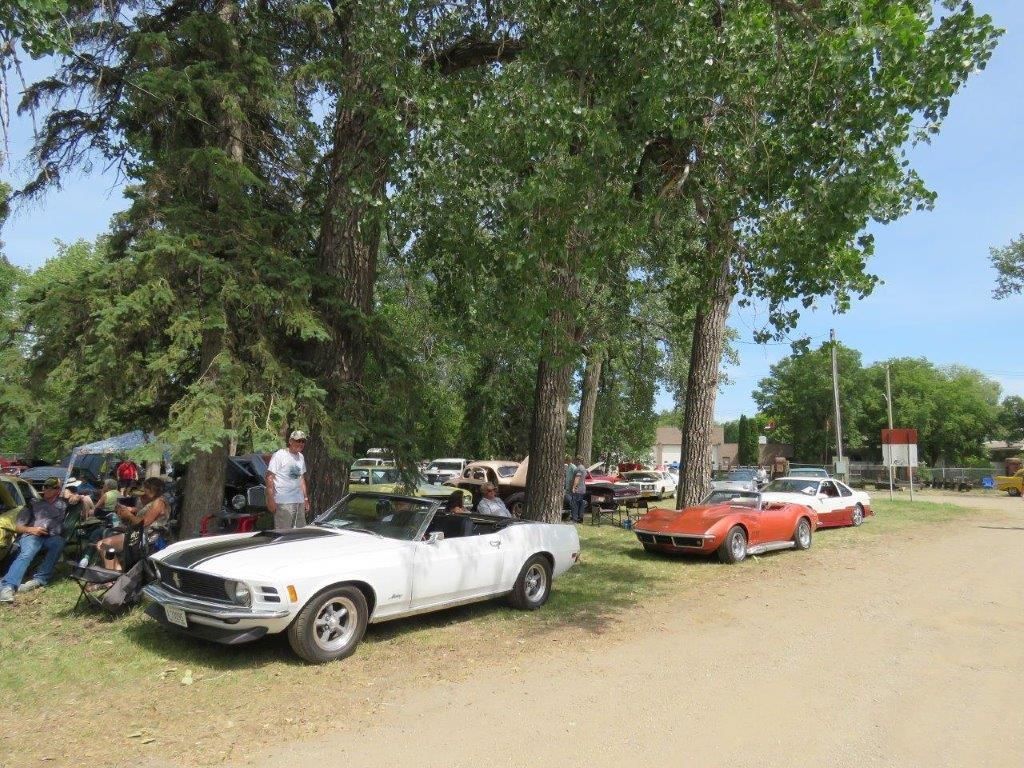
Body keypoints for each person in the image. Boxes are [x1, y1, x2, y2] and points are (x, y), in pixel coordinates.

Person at [0, 477, 84, 602]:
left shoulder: (63, 504)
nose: (47, 489)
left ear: (58, 490)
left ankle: (40, 579)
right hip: (32, 535)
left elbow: (84, 498)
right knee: (28, 552)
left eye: (52, 487)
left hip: (52, 537)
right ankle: (7, 586)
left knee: (58, 543)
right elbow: (17, 527)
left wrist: (78, 497)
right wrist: (32, 530)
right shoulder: (33, 504)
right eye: (46, 487)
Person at [95, 476, 170, 570]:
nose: (143, 491)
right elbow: (142, 514)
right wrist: (128, 510)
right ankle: (115, 571)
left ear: (152, 489)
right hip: (139, 534)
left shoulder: (159, 502)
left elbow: (144, 523)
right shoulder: (153, 501)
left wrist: (129, 515)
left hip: (145, 537)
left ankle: (113, 573)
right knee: (104, 540)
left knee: (103, 545)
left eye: (145, 488)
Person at [266, 430, 309, 529]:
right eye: (298, 441)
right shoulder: (280, 455)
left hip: (299, 501)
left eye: (303, 441)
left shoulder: (301, 457)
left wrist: (305, 499)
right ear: (290, 441)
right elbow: (269, 477)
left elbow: (301, 478)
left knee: (300, 533)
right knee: (284, 533)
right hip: (283, 502)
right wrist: (270, 499)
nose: (301, 444)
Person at [569, 457, 588, 523]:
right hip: (582, 489)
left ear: (579, 461)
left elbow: (577, 478)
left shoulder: (579, 469)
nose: (574, 461)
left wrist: (574, 487)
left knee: (574, 504)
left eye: (575, 460)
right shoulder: (584, 468)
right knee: (581, 504)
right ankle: (580, 518)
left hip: (578, 489)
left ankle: (574, 519)